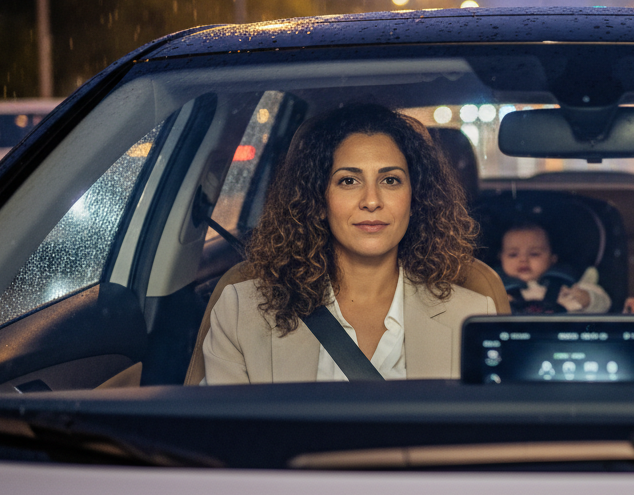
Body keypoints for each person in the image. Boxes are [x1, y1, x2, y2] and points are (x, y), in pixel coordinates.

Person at [202, 104, 494, 383]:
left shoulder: (473, 316)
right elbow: (224, 434)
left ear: (415, 198)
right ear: (317, 198)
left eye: (390, 180)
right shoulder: (241, 312)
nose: (371, 201)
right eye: (348, 181)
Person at [498, 220, 612, 314]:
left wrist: (588, 299)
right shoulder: (494, 290)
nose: (523, 260)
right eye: (513, 255)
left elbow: (605, 303)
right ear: (501, 258)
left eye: (534, 254)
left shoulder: (567, 284)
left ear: (552, 259)